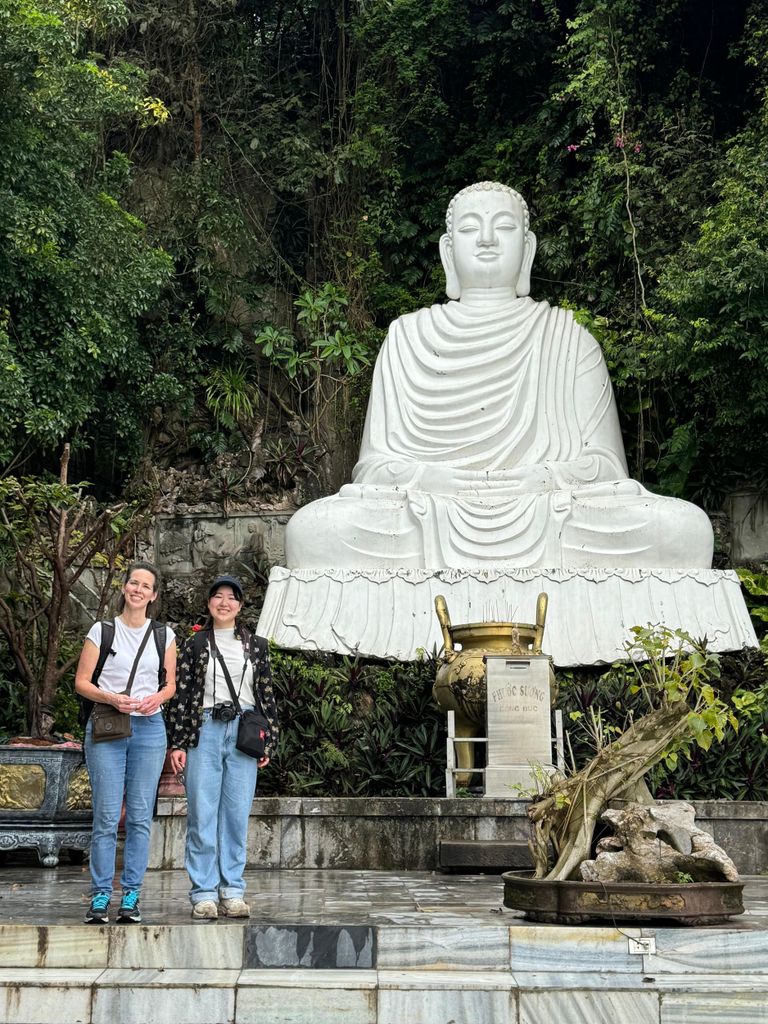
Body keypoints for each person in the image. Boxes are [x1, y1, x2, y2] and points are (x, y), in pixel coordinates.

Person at [284, 180, 714, 571]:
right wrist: (433, 479)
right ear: (447, 251)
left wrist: (542, 479)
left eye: (503, 228)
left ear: (527, 249)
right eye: (471, 229)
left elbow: (606, 467)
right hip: (430, 508)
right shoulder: (406, 336)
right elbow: (375, 468)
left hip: (547, 507)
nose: (487, 239)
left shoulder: (568, 337)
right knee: (314, 532)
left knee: (684, 530)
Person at [167, 575, 278, 920]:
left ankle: (232, 890)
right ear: (209, 603)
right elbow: (183, 695)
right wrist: (179, 742)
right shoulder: (195, 645)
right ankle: (203, 893)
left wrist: (268, 740)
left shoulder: (256, 646)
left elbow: (266, 695)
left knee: (236, 813)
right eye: (218, 596)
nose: (224, 602)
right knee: (202, 812)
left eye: (231, 598)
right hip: (205, 729)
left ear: (241, 606)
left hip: (243, 731)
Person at [75, 561, 176, 924]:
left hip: (150, 729)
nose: (137, 590)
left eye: (145, 586)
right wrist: (112, 698)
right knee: (104, 815)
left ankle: (131, 894)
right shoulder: (102, 630)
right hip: (108, 725)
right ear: (124, 588)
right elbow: (81, 682)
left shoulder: (164, 635)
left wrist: (158, 698)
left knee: (138, 816)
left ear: (153, 596)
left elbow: (170, 684)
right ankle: (101, 895)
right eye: (133, 583)